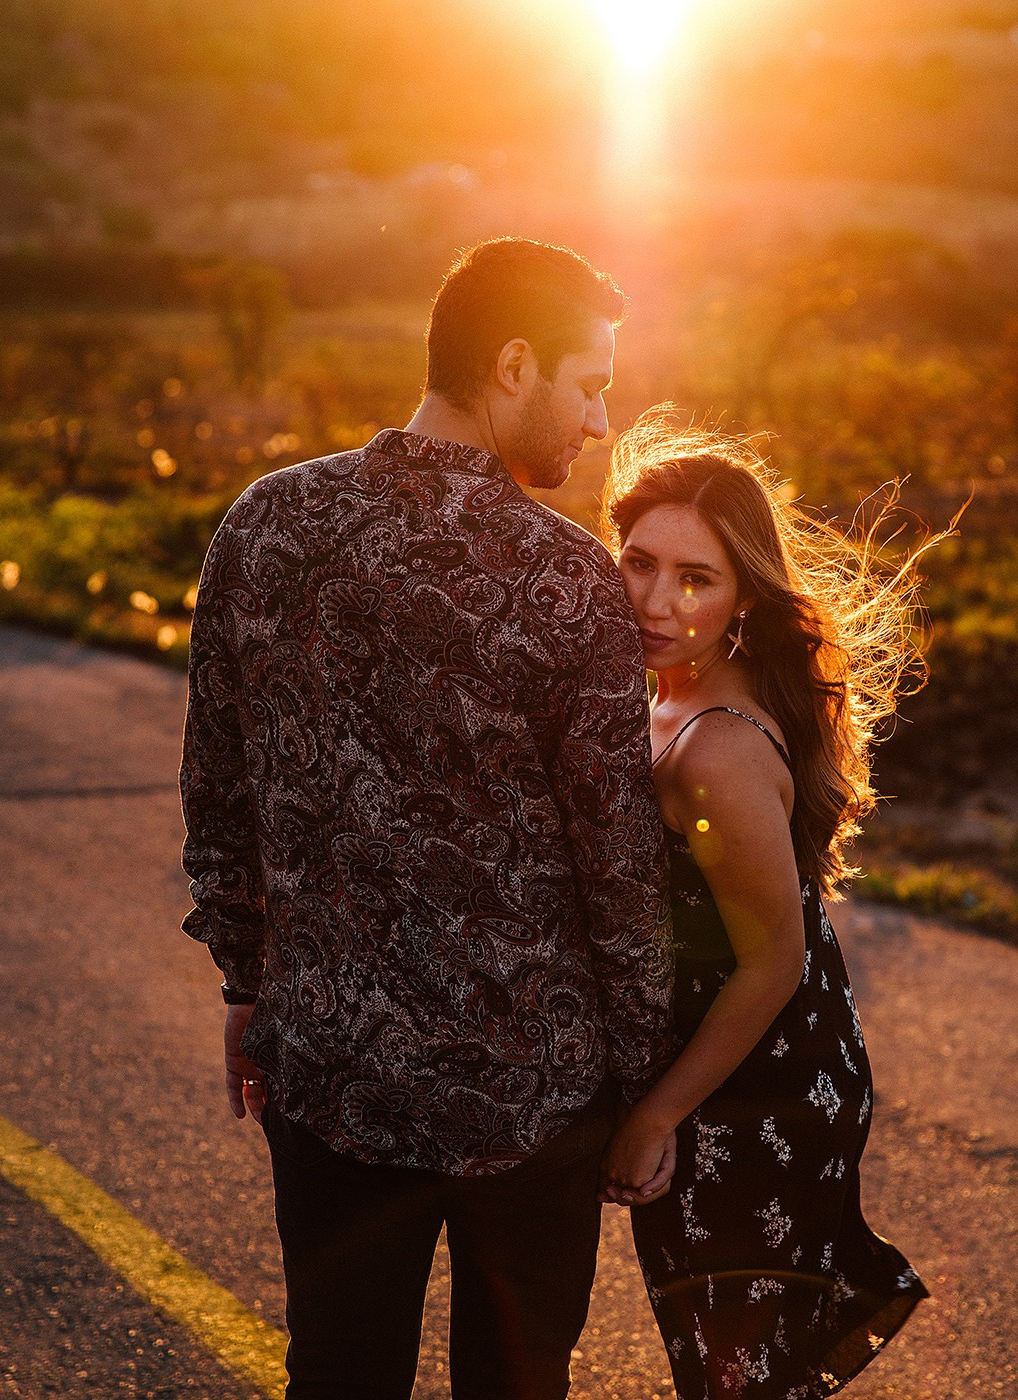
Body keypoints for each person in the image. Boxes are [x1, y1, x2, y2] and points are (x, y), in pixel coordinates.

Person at [178, 238, 676, 1400]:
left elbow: (219, 790)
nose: (602, 419)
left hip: (334, 1073)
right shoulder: (565, 579)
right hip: (534, 1100)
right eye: (589, 381)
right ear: (513, 364)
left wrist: (246, 986)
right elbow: (619, 865)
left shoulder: (266, 527)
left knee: (340, 1376)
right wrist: (647, 1087)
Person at [597, 411, 935, 1398]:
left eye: (696, 579)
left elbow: (774, 960)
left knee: (739, 1373)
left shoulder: (717, 749)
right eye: (640, 562)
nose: (658, 600)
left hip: (761, 1087)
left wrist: (652, 1117)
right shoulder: (670, 687)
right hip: (736, 1063)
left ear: (743, 598)